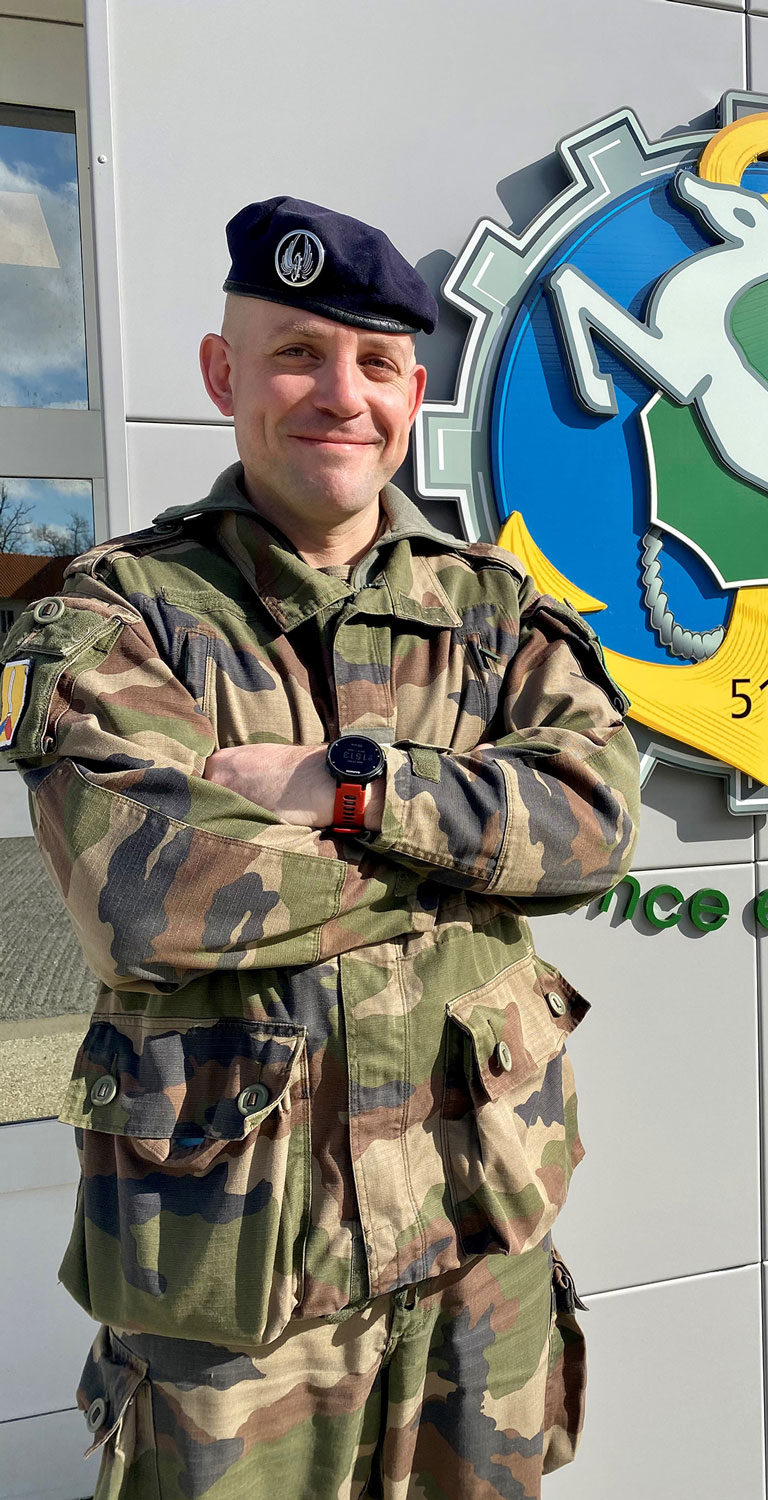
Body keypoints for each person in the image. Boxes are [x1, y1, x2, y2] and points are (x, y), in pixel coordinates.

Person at [0, 196, 639, 1499]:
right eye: (295, 352)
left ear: (413, 393)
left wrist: (348, 791)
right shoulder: (116, 617)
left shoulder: (495, 612)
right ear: (222, 374)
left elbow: (592, 828)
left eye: (375, 363)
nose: (337, 393)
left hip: (478, 1270)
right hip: (243, 1311)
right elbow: (150, 897)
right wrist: (463, 868)